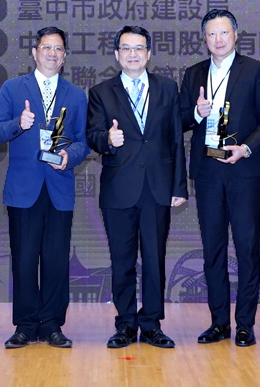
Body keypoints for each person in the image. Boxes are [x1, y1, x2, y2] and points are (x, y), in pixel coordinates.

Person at [178, 9, 260, 347]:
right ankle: (219, 322)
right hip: (207, 170)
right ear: (204, 38)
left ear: (235, 35)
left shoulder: (254, 70)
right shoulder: (193, 73)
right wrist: (197, 113)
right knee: (212, 248)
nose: (218, 39)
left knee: (247, 247)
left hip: (243, 170)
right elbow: (180, 120)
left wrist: (246, 148)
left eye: (224, 32)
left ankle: (245, 324)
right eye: (211, 34)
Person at [86, 26, 187, 349]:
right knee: (122, 260)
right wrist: (107, 139)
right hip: (119, 189)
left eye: (139, 48)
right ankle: (126, 324)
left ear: (149, 53)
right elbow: (92, 135)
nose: (133, 54)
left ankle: (152, 323)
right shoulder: (101, 92)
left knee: (155, 259)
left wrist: (179, 185)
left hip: (157, 187)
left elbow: (176, 139)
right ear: (117, 54)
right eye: (126, 48)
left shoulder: (167, 88)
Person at [0, 26, 89, 349]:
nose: (52, 54)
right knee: (24, 258)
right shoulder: (13, 88)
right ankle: (25, 325)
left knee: (57, 259)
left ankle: (52, 324)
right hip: (24, 189)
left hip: (59, 186)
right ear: (34, 52)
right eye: (46, 47)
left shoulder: (76, 95)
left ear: (64, 56)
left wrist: (69, 155)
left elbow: (83, 141)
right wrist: (19, 124)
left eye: (58, 49)